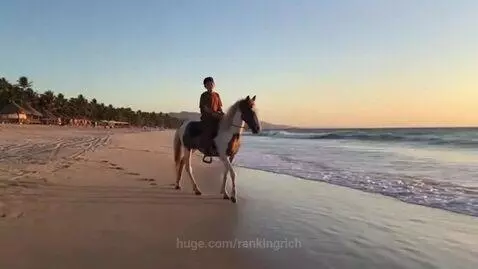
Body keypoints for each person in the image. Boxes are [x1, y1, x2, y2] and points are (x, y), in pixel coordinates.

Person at [199, 76, 224, 155]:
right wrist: (213, 113)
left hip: (216, 116)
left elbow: (219, 107)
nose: (210, 85)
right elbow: (205, 108)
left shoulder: (217, 95)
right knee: (211, 129)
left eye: (211, 83)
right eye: (208, 84)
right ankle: (208, 148)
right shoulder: (203, 95)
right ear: (205, 86)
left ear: (214, 84)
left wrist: (222, 113)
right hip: (207, 117)